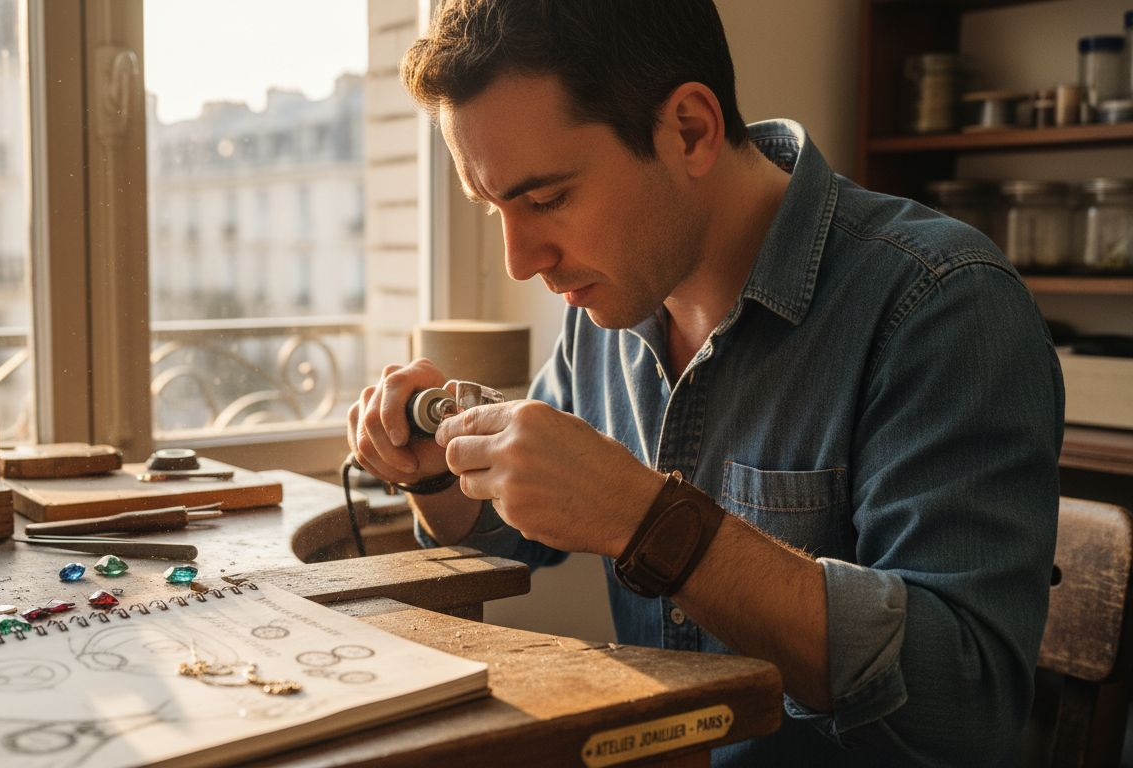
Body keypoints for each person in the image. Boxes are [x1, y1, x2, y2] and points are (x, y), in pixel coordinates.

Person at [346, 1, 1064, 764]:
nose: (522, 259)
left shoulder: (942, 302)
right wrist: (439, 478)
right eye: (492, 207)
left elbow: (967, 706)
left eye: (547, 198)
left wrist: (649, 521)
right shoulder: (607, 303)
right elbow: (521, 534)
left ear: (689, 128)